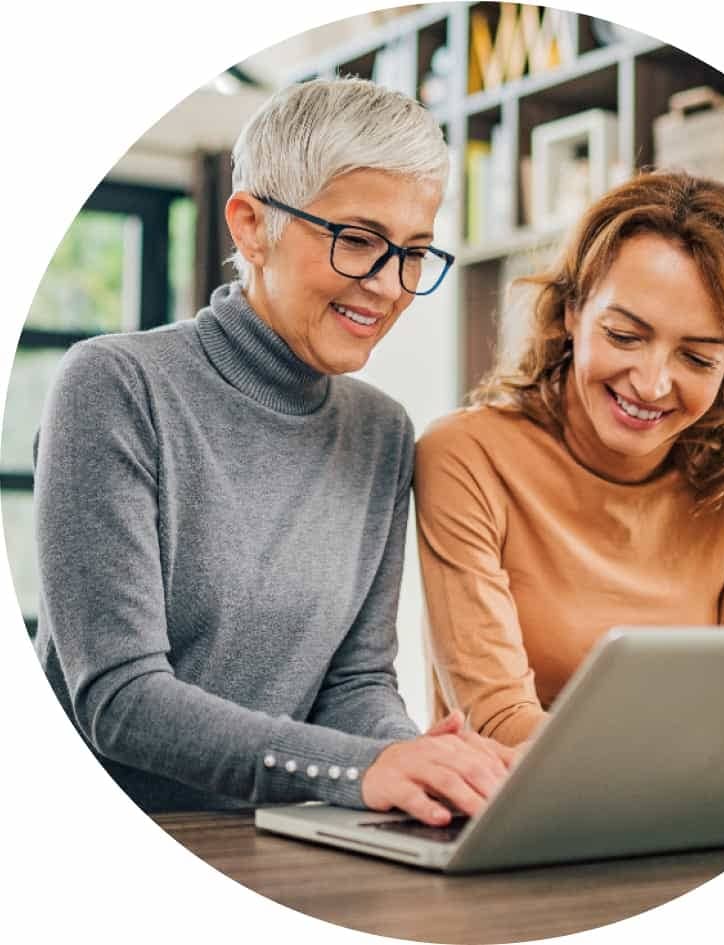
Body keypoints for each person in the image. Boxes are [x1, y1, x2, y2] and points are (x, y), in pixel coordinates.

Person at [33, 76, 513, 826]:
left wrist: (423, 763)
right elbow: (119, 701)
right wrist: (363, 766)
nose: (388, 286)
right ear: (252, 226)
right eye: (358, 240)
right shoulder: (114, 386)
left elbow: (355, 682)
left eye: (413, 252)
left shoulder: (383, 432)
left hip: (278, 840)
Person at [414, 169, 724, 746]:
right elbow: (496, 720)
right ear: (572, 310)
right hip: (514, 810)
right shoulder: (466, 456)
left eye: (697, 359)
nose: (651, 384)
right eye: (625, 336)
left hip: (687, 806)